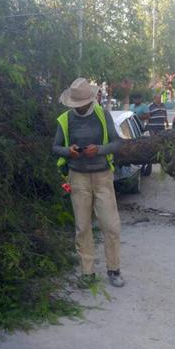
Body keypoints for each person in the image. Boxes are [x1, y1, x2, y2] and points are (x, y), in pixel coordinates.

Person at [52, 78, 125, 288]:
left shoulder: (103, 115)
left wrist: (99, 150)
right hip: (78, 178)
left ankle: (114, 270)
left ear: (90, 100)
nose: (80, 107)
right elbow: (55, 147)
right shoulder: (65, 120)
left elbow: (117, 143)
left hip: (102, 177)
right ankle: (87, 272)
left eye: (83, 103)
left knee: (111, 226)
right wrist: (69, 152)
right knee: (82, 227)